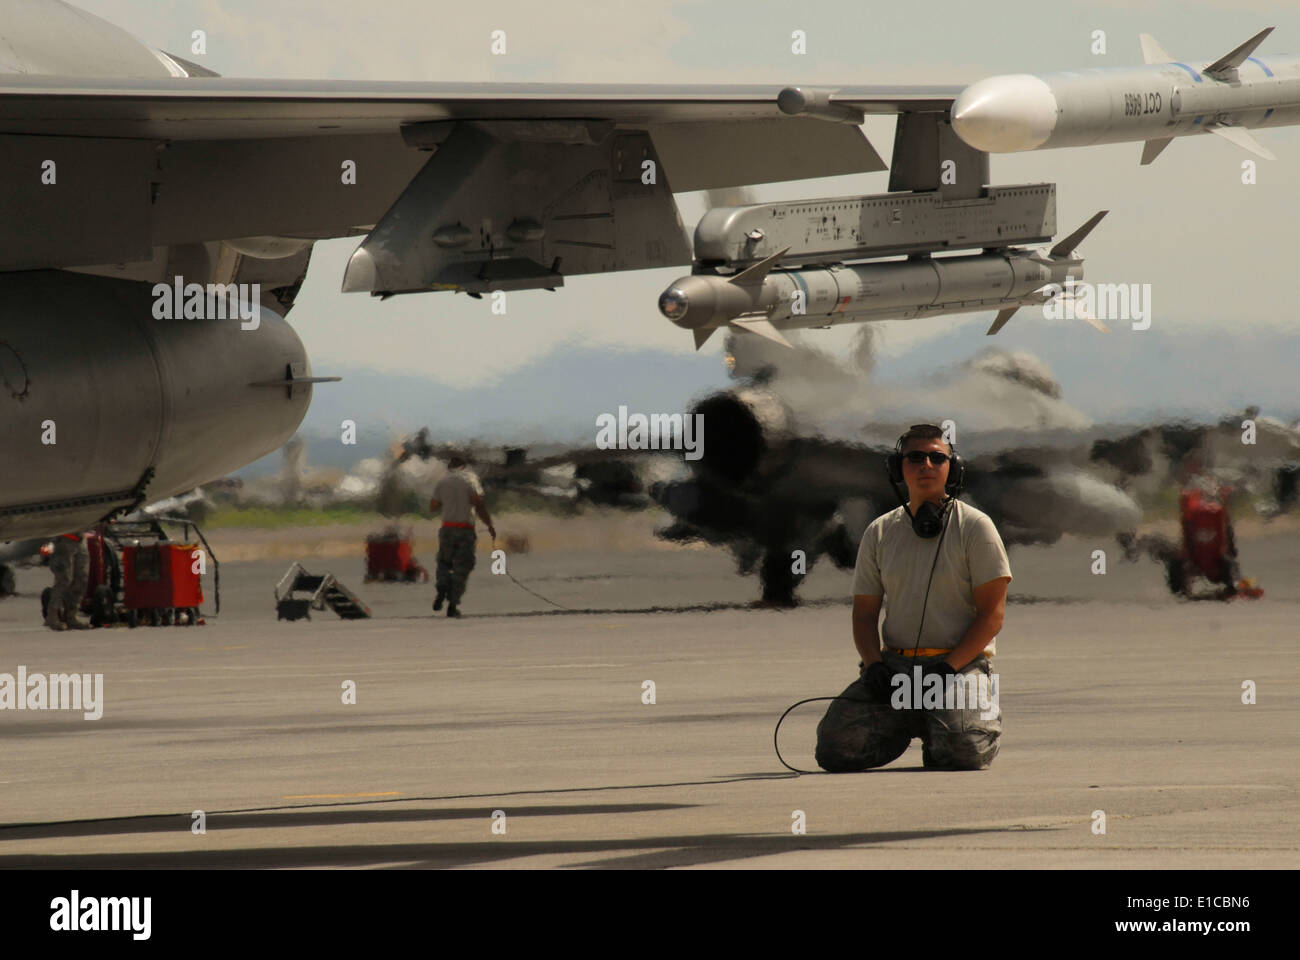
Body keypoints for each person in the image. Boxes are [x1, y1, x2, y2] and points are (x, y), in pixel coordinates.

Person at [815, 424, 1012, 771]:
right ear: (898, 467)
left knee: (964, 751)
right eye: (915, 457)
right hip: (896, 670)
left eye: (938, 458)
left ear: (954, 468)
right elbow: (863, 615)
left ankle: (949, 725)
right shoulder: (879, 532)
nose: (927, 465)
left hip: (959, 666)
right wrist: (874, 665)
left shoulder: (976, 527)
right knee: (835, 750)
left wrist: (948, 669)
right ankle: (914, 721)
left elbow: (992, 616)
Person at [428, 457, 496, 618]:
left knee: (444, 562)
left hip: (447, 529)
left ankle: (442, 587)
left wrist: (449, 503)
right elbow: (478, 504)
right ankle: (452, 604)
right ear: (464, 466)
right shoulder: (470, 480)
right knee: (462, 567)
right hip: (465, 530)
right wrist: (489, 525)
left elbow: (433, 507)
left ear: (449, 466)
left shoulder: (442, 482)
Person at [45, 531, 90, 631]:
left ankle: (71, 616)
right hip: (65, 539)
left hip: (80, 539)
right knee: (64, 579)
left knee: (81, 579)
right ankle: (53, 615)